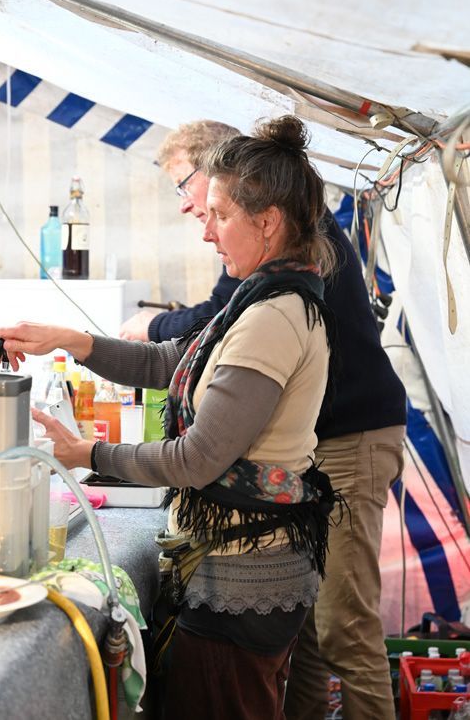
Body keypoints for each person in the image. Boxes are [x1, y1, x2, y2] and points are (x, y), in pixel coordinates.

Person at [0, 116, 339, 720]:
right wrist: (71, 339)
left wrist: (87, 454)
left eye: (219, 215)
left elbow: (198, 458)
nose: (207, 232)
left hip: (245, 574)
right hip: (242, 563)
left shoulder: (273, 317)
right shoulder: (261, 297)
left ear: (268, 222)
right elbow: (172, 360)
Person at [120, 119, 407, 720]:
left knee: (343, 629)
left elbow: (210, 333)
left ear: (229, 177)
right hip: (323, 442)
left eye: (187, 186)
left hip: (351, 438)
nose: (189, 210)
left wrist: (149, 329)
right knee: (309, 634)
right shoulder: (264, 248)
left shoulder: (281, 260)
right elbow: (214, 330)